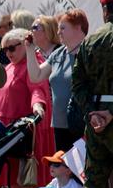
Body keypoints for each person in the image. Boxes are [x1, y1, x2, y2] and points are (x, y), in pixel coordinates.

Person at [0, 28, 53, 188]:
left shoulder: (31, 63)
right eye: (4, 49)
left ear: (23, 45)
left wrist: (38, 105)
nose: (8, 53)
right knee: (15, 176)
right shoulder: (9, 67)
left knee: (25, 176)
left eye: (11, 48)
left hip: (25, 130)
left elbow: (38, 88)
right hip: (7, 131)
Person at [69, 0, 113, 188]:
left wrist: (93, 114)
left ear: (105, 11)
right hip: (108, 113)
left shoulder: (91, 42)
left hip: (96, 118)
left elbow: (78, 84)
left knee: (95, 178)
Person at [25, 9, 89, 151]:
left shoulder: (89, 52)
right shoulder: (59, 53)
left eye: (63, 28)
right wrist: (29, 50)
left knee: (81, 170)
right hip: (59, 124)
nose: (58, 32)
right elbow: (36, 76)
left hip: (83, 124)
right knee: (62, 170)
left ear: (78, 27)